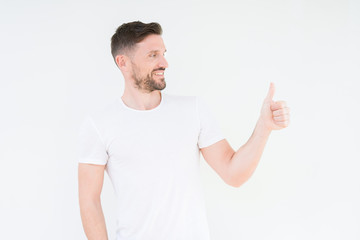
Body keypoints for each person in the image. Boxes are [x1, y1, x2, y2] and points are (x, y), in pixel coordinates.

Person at [77, 21, 290, 240]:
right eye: (153, 55)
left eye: (163, 53)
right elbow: (89, 201)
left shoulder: (193, 110)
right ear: (123, 62)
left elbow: (234, 174)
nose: (164, 63)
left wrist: (264, 128)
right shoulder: (99, 125)